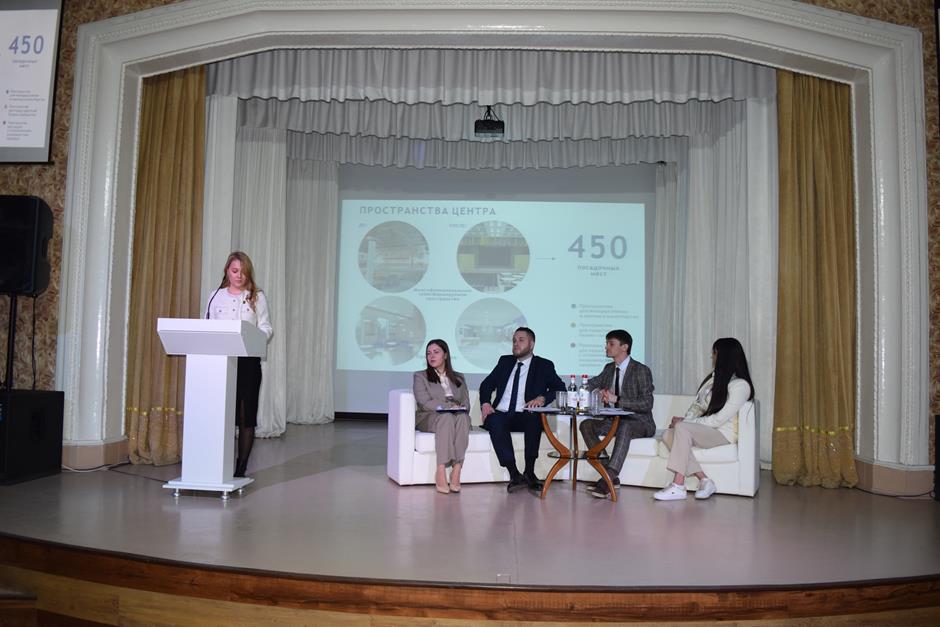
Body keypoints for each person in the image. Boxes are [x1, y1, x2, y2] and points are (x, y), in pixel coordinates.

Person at [653, 337, 754, 501]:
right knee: (667, 434)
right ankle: (704, 480)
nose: (712, 357)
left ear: (725, 356)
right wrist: (686, 420)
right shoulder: (713, 379)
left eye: (715, 353)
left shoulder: (740, 385)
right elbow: (697, 407)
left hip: (723, 433)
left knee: (681, 428)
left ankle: (678, 485)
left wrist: (685, 423)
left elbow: (718, 420)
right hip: (707, 429)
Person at [206, 251, 273, 478]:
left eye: (243, 272)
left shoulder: (256, 296)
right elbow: (207, 326)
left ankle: (240, 469)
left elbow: (266, 327)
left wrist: (254, 337)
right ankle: (217, 465)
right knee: (221, 414)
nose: (239, 276)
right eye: (235, 271)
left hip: (248, 363)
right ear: (227, 270)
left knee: (246, 416)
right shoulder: (215, 296)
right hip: (221, 363)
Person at [479, 327, 565, 494]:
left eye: (521, 340)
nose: (516, 344)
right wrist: (485, 403)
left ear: (531, 344)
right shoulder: (505, 362)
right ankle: (514, 474)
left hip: (525, 414)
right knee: (494, 419)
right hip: (501, 414)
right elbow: (487, 384)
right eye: (514, 341)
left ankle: (529, 472)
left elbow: (560, 388)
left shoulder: (544, 365)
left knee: (534, 417)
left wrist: (542, 398)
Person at [579, 329, 655, 499]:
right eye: (606, 343)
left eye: (611, 344)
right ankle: (610, 476)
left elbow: (647, 403)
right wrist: (595, 391)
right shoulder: (608, 368)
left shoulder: (641, 370)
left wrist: (617, 399)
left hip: (639, 422)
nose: (606, 347)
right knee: (586, 424)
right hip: (614, 420)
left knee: (625, 426)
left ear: (624, 347)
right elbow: (590, 384)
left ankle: (607, 479)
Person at [413, 339, 472, 494]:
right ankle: (440, 470)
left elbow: (466, 402)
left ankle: (456, 470)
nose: (431, 356)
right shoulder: (420, 376)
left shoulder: (459, 377)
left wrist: (459, 407)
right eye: (428, 353)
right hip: (429, 416)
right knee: (446, 417)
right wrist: (448, 406)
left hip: (456, 415)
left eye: (436, 352)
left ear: (445, 355)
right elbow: (424, 402)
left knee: (463, 418)